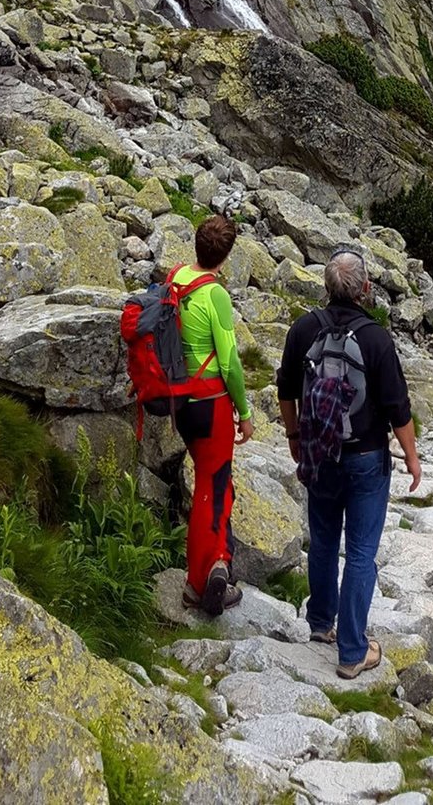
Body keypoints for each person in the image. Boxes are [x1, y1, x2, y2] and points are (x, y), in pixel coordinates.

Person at [277, 246, 420, 677]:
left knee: (322, 539)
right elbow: (398, 407)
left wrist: (294, 436)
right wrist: (412, 458)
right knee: (360, 552)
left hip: (319, 453)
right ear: (365, 289)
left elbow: (286, 390)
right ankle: (354, 651)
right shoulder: (376, 337)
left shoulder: (303, 329)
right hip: (365, 457)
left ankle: (321, 624)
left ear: (326, 286)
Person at [173, 214, 254, 616]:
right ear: (226, 256)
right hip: (211, 403)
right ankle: (199, 582)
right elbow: (231, 365)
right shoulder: (215, 294)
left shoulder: (178, 279)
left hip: (179, 402)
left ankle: (220, 559)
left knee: (214, 483)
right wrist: (246, 411)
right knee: (212, 487)